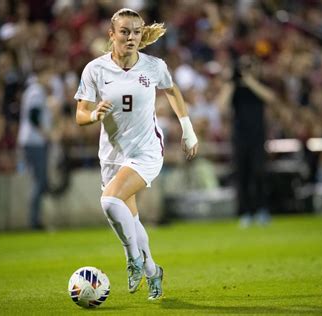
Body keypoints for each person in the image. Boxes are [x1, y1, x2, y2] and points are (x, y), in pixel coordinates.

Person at [74, 8, 198, 300]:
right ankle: (153, 271)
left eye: (136, 32)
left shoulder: (153, 66)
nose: (131, 37)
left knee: (109, 200)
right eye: (125, 32)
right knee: (128, 218)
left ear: (142, 35)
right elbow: (80, 114)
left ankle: (134, 260)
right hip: (112, 154)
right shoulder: (95, 69)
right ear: (112, 34)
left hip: (146, 151)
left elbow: (172, 91)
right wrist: (93, 116)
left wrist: (187, 129)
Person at [230, 55, 274, 228]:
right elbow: (221, 105)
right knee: (242, 176)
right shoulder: (236, 89)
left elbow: (270, 97)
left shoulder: (259, 85)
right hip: (240, 137)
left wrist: (250, 81)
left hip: (257, 137)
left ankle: (262, 209)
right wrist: (231, 82)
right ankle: (245, 212)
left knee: (259, 173)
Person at [17, 63, 52, 230]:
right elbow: (33, 115)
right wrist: (45, 133)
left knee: (39, 181)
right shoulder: (36, 91)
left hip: (31, 140)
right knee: (39, 181)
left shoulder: (33, 90)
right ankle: (34, 221)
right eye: (48, 75)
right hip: (34, 141)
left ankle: (36, 218)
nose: (50, 79)